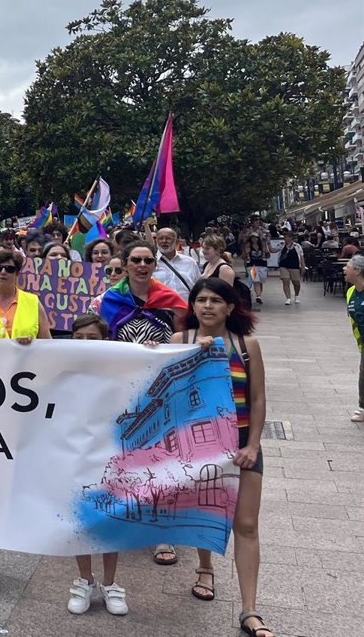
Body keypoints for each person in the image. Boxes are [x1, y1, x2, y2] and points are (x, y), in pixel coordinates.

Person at [173, 278, 273, 637]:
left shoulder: (247, 345)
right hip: (202, 445)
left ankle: (250, 609)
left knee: (246, 524)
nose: (208, 306)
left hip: (242, 443)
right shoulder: (180, 341)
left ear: (230, 307)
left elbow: (258, 398)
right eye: (201, 300)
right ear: (192, 306)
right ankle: (205, 568)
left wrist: (253, 445)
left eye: (216, 300)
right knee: (206, 514)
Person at [65, 312, 128, 616]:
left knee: (110, 520)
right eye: (79, 339)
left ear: (106, 341)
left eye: (92, 338)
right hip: (75, 454)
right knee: (81, 519)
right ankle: (84, 579)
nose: (85, 344)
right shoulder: (61, 370)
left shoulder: (118, 369)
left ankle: (111, 583)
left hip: (111, 457)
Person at [98, 241, 187, 345]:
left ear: (155, 265)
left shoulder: (170, 299)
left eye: (149, 261)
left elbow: (185, 337)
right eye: (136, 260)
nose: (143, 264)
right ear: (124, 265)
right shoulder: (111, 299)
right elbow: (103, 339)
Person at [342, 254, 364, 422]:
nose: (344, 269)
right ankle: (362, 408)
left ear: (357, 271)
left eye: (347, 266)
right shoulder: (350, 292)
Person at [154, 228, 201, 297]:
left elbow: (199, 287)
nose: (164, 241)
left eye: (168, 238)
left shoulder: (190, 262)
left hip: (186, 306)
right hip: (159, 307)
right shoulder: (150, 263)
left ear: (176, 241)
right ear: (156, 241)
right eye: (160, 238)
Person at [276, 230, 303, 306]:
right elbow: (273, 250)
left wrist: (303, 266)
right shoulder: (282, 245)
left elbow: (301, 256)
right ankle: (288, 298)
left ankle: (297, 295)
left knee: (296, 282)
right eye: (284, 237)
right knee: (285, 281)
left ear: (291, 238)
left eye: (287, 237)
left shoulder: (297, 246)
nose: (285, 238)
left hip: (294, 266)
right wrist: (267, 244)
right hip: (284, 265)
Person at [242, 234, 269, 305]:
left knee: (261, 280)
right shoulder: (248, 246)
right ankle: (258, 296)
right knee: (256, 280)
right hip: (252, 266)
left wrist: (266, 251)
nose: (254, 239)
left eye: (256, 238)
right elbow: (243, 257)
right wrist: (246, 252)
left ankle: (258, 294)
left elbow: (268, 256)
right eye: (252, 238)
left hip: (262, 265)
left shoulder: (262, 246)